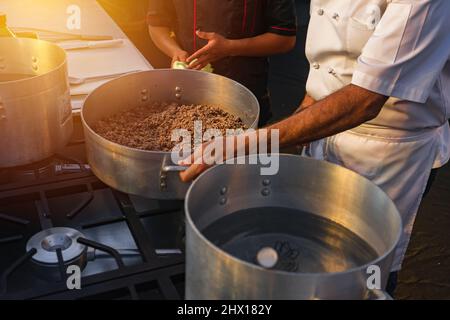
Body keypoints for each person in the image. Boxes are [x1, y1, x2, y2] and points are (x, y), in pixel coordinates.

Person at [179, 0, 450, 295]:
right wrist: (304, 112)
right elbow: (330, 64)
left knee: (364, 274)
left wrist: (250, 142)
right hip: (327, 129)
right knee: (313, 257)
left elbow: (366, 99)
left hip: (386, 152)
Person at [147, 0, 297, 126]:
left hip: (244, 91)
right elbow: (157, 23)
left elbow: (285, 39)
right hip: (185, 92)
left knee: (244, 156)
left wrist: (230, 48)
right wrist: (175, 51)